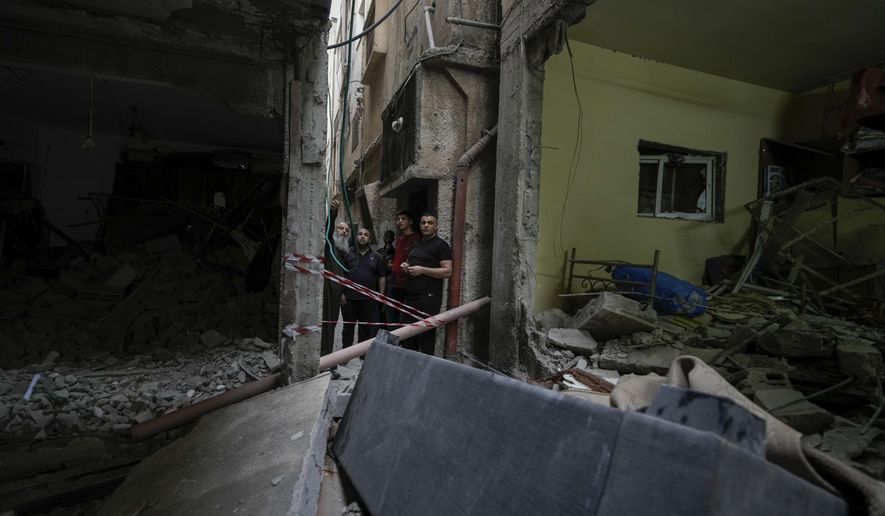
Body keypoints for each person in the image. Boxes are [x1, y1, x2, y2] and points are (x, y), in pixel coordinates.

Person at [399, 213, 452, 355]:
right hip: (411, 296)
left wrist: (422, 270)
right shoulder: (417, 244)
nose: (426, 225)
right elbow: (412, 263)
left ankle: (424, 370)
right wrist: (406, 266)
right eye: (423, 223)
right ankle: (410, 367)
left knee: (426, 336)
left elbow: (447, 272)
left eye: (430, 223)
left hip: (428, 298)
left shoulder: (441, 245)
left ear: (436, 226)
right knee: (407, 333)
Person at [341, 228, 387, 350]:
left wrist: (380, 296)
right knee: (348, 328)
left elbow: (382, 277)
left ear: (369, 239)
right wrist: (341, 293)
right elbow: (340, 275)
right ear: (356, 237)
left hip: (368, 299)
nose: (362, 236)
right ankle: (345, 354)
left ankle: (362, 354)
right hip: (349, 299)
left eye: (366, 235)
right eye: (360, 234)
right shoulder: (347, 254)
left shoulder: (377, 257)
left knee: (365, 328)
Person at [321, 196, 350, 379]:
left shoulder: (344, 251)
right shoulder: (329, 245)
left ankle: (328, 361)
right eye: (341, 228)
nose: (343, 232)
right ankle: (323, 362)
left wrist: (343, 293)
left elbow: (345, 276)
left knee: (331, 328)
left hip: (336, 295)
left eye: (346, 230)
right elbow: (327, 229)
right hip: (325, 293)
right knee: (324, 327)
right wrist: (333, 212)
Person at [387, 211, 420, 324]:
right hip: (395, 284)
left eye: (403, 218)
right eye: (398, 219)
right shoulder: (400, 239)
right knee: (394, 317)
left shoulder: (416, 239)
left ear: (410, 221)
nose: (400, 221)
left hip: (406, 285)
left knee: (405, 319)